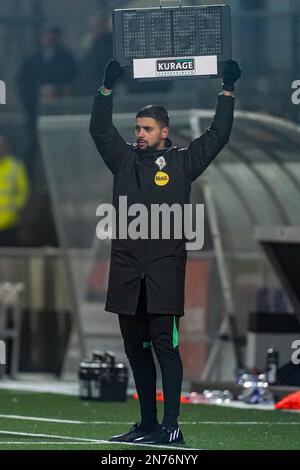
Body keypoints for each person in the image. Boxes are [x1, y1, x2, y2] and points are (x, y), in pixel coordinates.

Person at [89, 59, 241, 445]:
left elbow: (218, 134)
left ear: (164, 132)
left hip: (163, 273)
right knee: (135, 350)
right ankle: (145, 424)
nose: (139, 134)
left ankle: (171, 427)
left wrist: (227, 90)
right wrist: (106, 90)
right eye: (137, 128)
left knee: (164, 349)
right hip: (125, 271)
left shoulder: (184, 162)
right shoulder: (122, 159)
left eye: (146, 129)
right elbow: (98, 129)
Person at [0, 134, 30, 246]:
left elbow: (23, 192)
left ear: (5, 148)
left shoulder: (15, 167)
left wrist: (16, 206)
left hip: (10, 223)